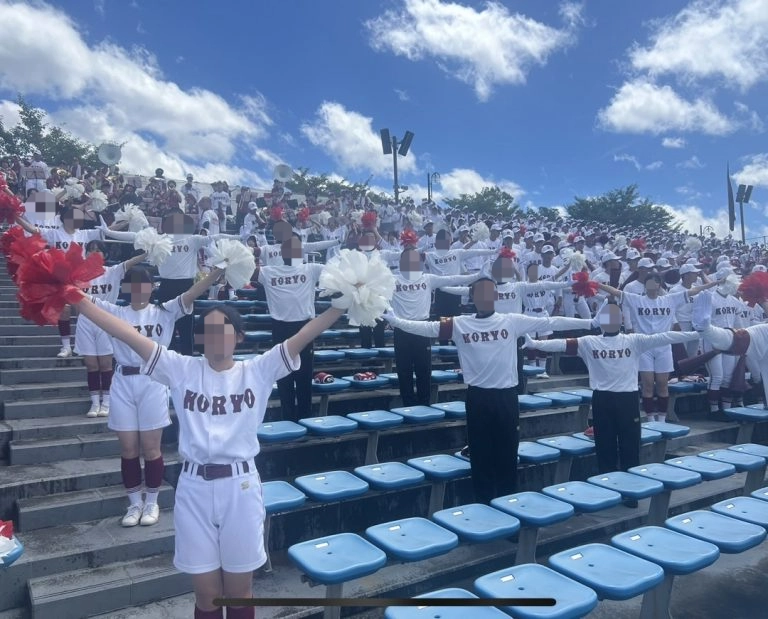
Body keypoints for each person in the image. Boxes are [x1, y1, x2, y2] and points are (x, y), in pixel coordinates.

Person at [75, 274, 347, 619]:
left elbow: (303, 335)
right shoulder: (181, 369)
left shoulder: (257, 371)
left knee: (240, 594)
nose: (215, 336)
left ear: (239, 336)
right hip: (194, 487)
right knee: (206, 597)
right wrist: (77, 299)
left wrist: (343, 305)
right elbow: (124, 331)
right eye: (208, 329)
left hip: (240, 485)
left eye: (223, 328)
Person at [383, 277, 594, 504]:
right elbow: (426, 327)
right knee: (480, 454)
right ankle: (483, 504)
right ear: (471, 297)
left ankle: (508, 504)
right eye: (480, 292)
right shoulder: (460, 324)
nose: (485, 296)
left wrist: (589, 323)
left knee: (507, 453)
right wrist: (397, 322)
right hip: (478, 397)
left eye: (490, 292)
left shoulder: (511, 321)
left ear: (496, 296)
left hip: (506, 397)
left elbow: (550, 323)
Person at [80, 265, 224, 532]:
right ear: (126, 288)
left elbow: (192, 293)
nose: (139, 290)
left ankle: (152, 501)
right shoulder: (116, 312)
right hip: (123, 381)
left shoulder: (164, 312)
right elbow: (83, 299)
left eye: (144, 285)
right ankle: (134, 503)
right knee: (128, 449)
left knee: (151, 448)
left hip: (153, 381)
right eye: (133, 285)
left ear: (152, 287)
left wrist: (216, 272)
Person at [524, 303, 700, 506]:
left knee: (630, 448)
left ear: (622, 320)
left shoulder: (634, 340)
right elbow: (561, 344)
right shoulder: (589, 342)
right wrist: (535, 344)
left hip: (627, 399)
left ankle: (630, 494)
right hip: (602, 399)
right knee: (604, 447)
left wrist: (696, 334)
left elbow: (665, 337)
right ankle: (607, 492)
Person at [598, 273, 717, 422]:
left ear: (659, 285)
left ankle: (661, 419)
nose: (651, 285)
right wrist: (595, 284)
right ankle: (650, 419)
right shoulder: (637, 299)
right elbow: (616, 292)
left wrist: (713, 284)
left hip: (663, 345)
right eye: (648, 282)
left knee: (662, 383)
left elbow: (694, 291)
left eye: (654, 282)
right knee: (647, 383)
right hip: (644, 346)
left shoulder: (669, 299)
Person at [14, 206, 129, 357]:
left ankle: (88, 344)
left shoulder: (85, 234)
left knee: (84, 311)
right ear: (66, 218)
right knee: (65, 310)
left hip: (82, 277)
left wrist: (128, 218)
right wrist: (13, 215)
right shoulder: (54, 233)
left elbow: (107, 230)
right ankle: (66, 346)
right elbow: (33, 229)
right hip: (61, 278)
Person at [74, 240, 148, 417]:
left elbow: (131, 262)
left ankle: (106, 402)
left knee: (106, 364)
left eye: (99, 250)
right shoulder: (79, 275)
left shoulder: (113, 272)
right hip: (85, 321)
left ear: (105, 254)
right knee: (91, 365)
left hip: (106, 321)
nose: (95, 253)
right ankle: (94, 403)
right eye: (91, 250)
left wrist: (148, 252)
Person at [256, 234, 325, 421]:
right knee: (284, 377)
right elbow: (246, 269)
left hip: (304, 328)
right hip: (280, 328)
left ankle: (305, 418)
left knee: (304, 377)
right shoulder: (269, 272)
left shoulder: (311, 268)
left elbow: (339, 272)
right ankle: (288, 418)